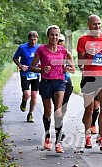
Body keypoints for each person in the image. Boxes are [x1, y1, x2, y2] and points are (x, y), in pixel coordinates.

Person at [30, 25, 75, 153]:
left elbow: (73, 69)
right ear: (47, 36)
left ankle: (58, 142)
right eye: (52, 34)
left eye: (56, 35)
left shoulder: (64, 51)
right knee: (47, 111)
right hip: (45, 82)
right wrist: (41, 70)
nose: (54, 37)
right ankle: (47, 136)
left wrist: (67, 68)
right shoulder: (41, 50)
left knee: (58, 111)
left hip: (60, 82)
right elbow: (32, 67)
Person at [77, 14, 102, 152]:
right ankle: (87, 135)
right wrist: (87, 54)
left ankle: (101, 136)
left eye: (99, 24)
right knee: (89, 109)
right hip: (89, 77)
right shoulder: (83, 40)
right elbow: (80, 62)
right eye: (94, 24)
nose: (97, 26)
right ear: (88, 25)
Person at [13, 31, 40, 123]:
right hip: (25, 74)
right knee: (27, 94)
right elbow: (15, 58)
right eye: (31, 40)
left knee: (34, 95)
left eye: (35, 39)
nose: (33, 42)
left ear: (37, 39)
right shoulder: (22, 47)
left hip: (35, 73)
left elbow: (44, 58)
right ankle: (24, 101)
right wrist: (21, 66)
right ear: (28, 39)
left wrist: (41, 64)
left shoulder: (39, 48)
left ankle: (30, 114)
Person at [52, 34, 75, 141]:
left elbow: (74, 70)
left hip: (66, 82)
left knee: (63, 107)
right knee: (57, 107)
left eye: (62, 41)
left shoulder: (67, 53)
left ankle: (60, 124)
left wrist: (66, 68)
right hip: (55, 82)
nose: (60, 42)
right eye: (58, 41)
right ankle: (59, 130)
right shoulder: (50, 53)